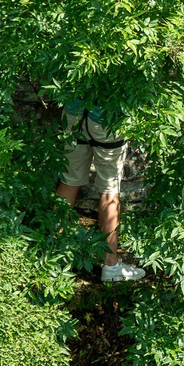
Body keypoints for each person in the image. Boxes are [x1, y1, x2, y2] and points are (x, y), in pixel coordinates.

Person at [58, 104, 143, 283]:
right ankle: (110, 265)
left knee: (69, 180)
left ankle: (56, 255)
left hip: (74, 112)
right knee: (109, 189)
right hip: (106, 117)